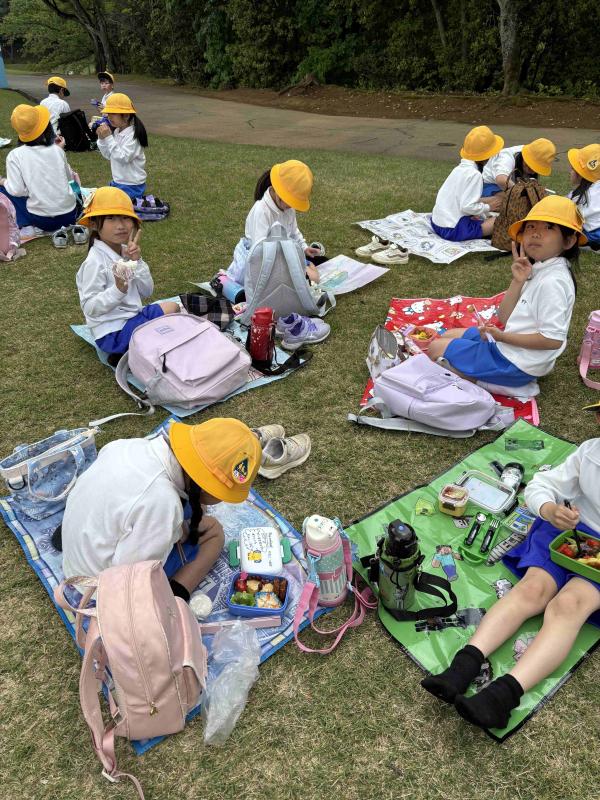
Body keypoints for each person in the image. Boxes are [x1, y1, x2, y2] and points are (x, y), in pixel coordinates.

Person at [421, 399, 600, 730]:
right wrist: (549, 510)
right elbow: (542, 486)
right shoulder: (590, 452)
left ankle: (503, 697)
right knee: (532, 590)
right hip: (568, 533)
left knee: (568, 605)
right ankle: (462, 668)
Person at [61, 418, 262, 603]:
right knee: (213, 532)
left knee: (191, 519)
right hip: (101, 587)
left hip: (79, 551)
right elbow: (131, 577)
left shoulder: (128, 445)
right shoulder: (163, 503)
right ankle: (174, 599)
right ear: (206, 487)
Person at [427, 195, 582, 388]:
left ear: (568, 241)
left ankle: (494, 384)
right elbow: (505, 318)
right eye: (531, 226)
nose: (535, 233)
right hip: (512, 347)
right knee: (449, 334)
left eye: (549, 227)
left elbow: (552, 340)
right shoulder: (541, 268)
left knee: (434, 349)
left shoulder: (553, 282)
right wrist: (518, 281)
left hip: (515, 363)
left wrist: (501, 337)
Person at [75, 186, 179, 356]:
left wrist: (137, 261)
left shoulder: (125, 252)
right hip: (113, 334)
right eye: (111, 218)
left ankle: (136, 350)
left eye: (125, 217)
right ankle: (128, 353)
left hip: (133, 318)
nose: (121, 225)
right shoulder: (94, 262)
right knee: (171, 320)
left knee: (174, 308)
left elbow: (147, 291)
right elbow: (89, 308)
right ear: (93, 223)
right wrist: (118, 290)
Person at [225, 159, 324, 286]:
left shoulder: (288, 208)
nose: (292, 206)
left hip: (281, 257)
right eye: (291, 201)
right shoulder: (262, 211)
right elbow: (260, 251)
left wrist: (304, 248)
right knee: (312, 277)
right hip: (259, 263)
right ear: (279, 192)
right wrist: (288, 264)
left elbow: (293, 231)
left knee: (313, 272)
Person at [0, 104, 78, 231]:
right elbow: (69, 179)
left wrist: (3, 181)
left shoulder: (15, 156)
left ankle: (21, 221)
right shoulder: (57, 150)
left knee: (3, 190)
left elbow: (17, 190)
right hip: (69, 215)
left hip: (42, 221)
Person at [430, 126, 505, 241]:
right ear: (488, 156)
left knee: (484, 205)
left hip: (437, 222)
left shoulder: (458, 169)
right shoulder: (475, 175)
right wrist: (488, 207)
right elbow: (467, 206)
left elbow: (461, 200)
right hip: (452, 229)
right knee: (501, 221)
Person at [96, 93, 147, 200]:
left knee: (109, 203)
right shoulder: (117, 132)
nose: (109, 116)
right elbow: (109, 155)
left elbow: (123, 158)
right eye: (108, 113)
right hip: (119, 182)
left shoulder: (133, 136)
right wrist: (101, 139)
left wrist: (108, 138)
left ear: (126, 115)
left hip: (131, 185)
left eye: (113, 113)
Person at [481, 138, 556, 196]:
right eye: (530, 167)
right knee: (509, 201)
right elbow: (501, 180)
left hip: (510, 184)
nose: (532, 172)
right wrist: (522, 192)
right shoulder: (506, 157)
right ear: (524, 158)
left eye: (536, 169)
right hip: (488, 185)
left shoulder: (532, 152)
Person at [567, 144, 600, 250]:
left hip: (593, 238)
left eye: (572, 168)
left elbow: (568, 217)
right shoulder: (595, 187)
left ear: (580, 174)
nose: (569, 172)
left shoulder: (585, 198)